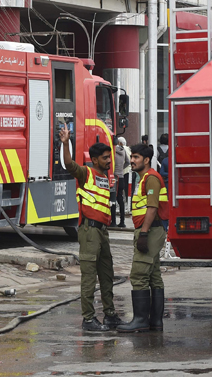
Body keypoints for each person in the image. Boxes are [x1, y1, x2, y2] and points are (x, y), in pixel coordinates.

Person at [59, 124, 123, 331]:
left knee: (107, 274)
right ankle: (88, 319)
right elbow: (69, 164)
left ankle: (110, 315)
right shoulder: (86, 173)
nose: (108, 161)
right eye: (105, 157)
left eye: (109, 157)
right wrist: (66, 142)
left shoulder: (104, 178)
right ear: (95, 160)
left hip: (102, 232)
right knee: (89, 276)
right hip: (89, 232)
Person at [117, 144, 169, 333]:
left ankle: (140, 320)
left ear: (146, 160)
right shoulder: (145, 178)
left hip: (150, 230)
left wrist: (144, 233)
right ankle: (155, 322)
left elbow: (152, 208)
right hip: (152, 230)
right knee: (154, 276)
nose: (132, 161)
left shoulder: (151, 179)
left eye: (136, 157)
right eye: (132, 157)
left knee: (139, 274)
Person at [111, 136, 130, 228]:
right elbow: (128, 162)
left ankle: (113, 221)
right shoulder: (123, 150)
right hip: (121, 177)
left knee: (113, 199)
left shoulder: (113, 151)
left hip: (114, 177)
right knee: (120, 199)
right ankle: (122, 221)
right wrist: (121, 169)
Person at [120, 137, 132, 216]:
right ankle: (130, 206)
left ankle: (127, 207)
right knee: (131, 190)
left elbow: (126, 161)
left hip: (125, 172)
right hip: (132, 172)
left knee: (124, 191)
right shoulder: (129, 149)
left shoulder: (121, 149)